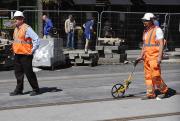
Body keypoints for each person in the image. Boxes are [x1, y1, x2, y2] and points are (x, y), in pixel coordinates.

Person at [136, 13, 169, 100]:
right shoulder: (146, 31)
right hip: (147, 57)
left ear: (151, 21)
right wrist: (141, 56)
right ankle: (150, 94)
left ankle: (164, 91)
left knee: (155, 75)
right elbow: (145, 45)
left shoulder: (157, 30)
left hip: (154, 57)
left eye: (145, 21)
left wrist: (159, 57)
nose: (144, 22)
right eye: (143, 20)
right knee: (148, 76)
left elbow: (161, 44)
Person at [10, 11, 40, 96]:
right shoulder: (16, 29)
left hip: (26, 54)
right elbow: (17, 41)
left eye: (18, 18)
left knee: (29, 72)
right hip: (17, 54)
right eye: (15, 18)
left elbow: (37, 39)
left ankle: (36, 89)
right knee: (18, 73)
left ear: (22, 19)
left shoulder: (27, 28)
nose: (16, 20)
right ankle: (19, 90)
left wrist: (32, 50)